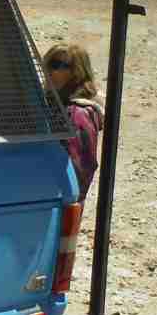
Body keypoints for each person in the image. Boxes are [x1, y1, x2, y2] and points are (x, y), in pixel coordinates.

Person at [44, 43, 104, 201]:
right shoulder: (55, 103)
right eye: (48, 64)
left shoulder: (78, 114)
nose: (49, 71)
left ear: (76, 72)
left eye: (57, 65)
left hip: (58, 199)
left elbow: (80, 168)